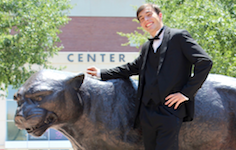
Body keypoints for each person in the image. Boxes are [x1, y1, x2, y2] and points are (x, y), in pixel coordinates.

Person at [86, 3, 212, 150]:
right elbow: (131, 68)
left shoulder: (178, 37)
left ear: (159, 16)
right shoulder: (147, 46)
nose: (146, 20)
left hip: (170, 110)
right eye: (141, 18)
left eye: (148, 15)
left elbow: (205, 62)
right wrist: (101, 73)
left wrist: (186, 93)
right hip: (147, 113)